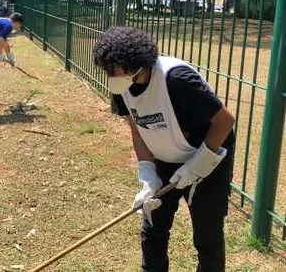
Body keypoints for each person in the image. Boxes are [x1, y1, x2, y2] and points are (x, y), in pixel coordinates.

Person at [92, 27, 235, 272]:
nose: (110, 76)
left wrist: (197, 165)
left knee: (207, 237)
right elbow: (137, 130)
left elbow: (224, 122)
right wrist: (148, 174)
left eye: (113, 69)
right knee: (153, 226)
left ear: (134, 63)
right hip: (166, 157)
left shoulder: (176, 79)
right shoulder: (121, 87)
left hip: (208, 155)